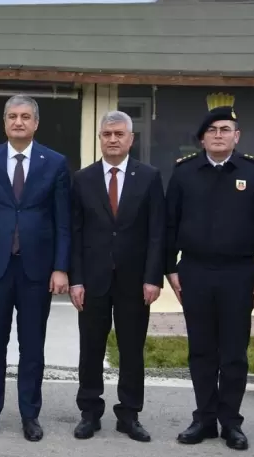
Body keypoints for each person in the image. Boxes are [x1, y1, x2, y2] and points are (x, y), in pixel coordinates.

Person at [165, 104, 254, 451]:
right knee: (201, 351)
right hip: (194, 270)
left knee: (233, 353)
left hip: (239, 272)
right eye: (212, 131)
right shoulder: (184, 173)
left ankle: (231, 422)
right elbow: (169, 225)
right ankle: (204, 418)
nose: (218, 135)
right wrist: (170, 269)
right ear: (202, 138)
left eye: (225, 129)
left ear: (236, 136)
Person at [0, 94, 71, 442]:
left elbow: (63, 222)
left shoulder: (54, 163)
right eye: (12, 116)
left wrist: (60, 268)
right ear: (5, 122)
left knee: (32, 347)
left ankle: (30, 415)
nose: (18, 122)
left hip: (36, 271)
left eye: (25, 116)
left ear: (36, 123)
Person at [68, 110, 165, 442]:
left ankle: (129, 414)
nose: (112, 139)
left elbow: (157, 233)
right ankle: (89, 412)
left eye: (119, 134)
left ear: (130, 139)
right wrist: (75, 279)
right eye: (107, 134)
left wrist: (153, 278)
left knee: (132, 349)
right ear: (100, 138)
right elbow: (75, 233)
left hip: (135, 282)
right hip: (92, 280)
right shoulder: (82, 179)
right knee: (91, 348)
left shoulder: (149, 177)